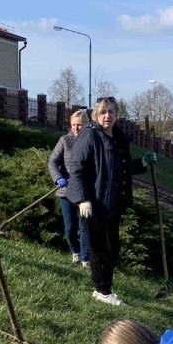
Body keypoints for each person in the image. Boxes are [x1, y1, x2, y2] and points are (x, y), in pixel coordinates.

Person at [66, 97, 152, 306]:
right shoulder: (90, 135)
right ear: (96, 114)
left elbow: (118, 167)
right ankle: (102, 291)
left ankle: (104, 288)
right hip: (94, 203)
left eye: (111, 112)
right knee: (100, 248)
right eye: (103, 112)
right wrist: (82, 199)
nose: (108, 116)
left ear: (116, 114)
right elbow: (77, 169)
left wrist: (141, 163)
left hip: (113, 202)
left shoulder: (117, 137)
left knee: (111, 247)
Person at [48, 108, 91, 265]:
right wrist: (58, 178)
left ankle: (86, 258)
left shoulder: (90, 140)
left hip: (84, 191)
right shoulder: (64, 140)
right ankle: (76, 251)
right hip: (65, 191)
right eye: (73, 125)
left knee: (84, 226)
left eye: (79, 125)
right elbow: (52, 161)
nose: (76, 128)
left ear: (86, 124)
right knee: (70, 228)